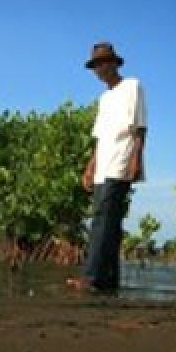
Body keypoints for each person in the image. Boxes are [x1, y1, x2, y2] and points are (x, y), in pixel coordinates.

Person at [66, 41, 147, 296]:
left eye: (103, 63)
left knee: (102, 220)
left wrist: (137, 159)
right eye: (95, 66)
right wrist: (90, 167)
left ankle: (91, 279)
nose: (99, 69)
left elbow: (140, 128)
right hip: (103, 164)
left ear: (114, 63)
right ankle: (109, 281)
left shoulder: (132, 86)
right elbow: (100, 138)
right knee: (109, 222)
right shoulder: (104, 98)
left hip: (121, 162)